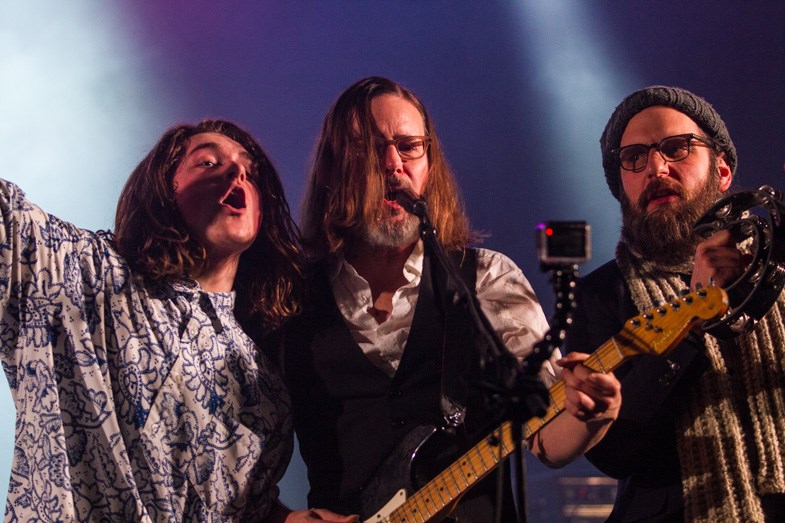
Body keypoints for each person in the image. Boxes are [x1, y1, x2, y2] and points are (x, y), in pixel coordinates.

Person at [282, 76, 622, 522]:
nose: (392, 164)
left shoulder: (486, 278)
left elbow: (547, 441)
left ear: (430, 164)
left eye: (409, 147)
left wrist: (592, 414)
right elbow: (243, 455)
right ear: (333, 167)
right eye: (367, 147)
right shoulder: (290, 296)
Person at [0, 120, 354, 522]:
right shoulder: (83, 270)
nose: (236, 172)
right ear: (162, 188)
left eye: (250, 172)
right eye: (207, 162)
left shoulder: (263, 388)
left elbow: (240, 509)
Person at [566, 86, 785, 522]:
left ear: (722, 171)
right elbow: (615, 454)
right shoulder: (595, 297)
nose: (656, 168)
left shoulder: (778, 270)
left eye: (675, 148)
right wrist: (692, 318)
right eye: (634, 158)